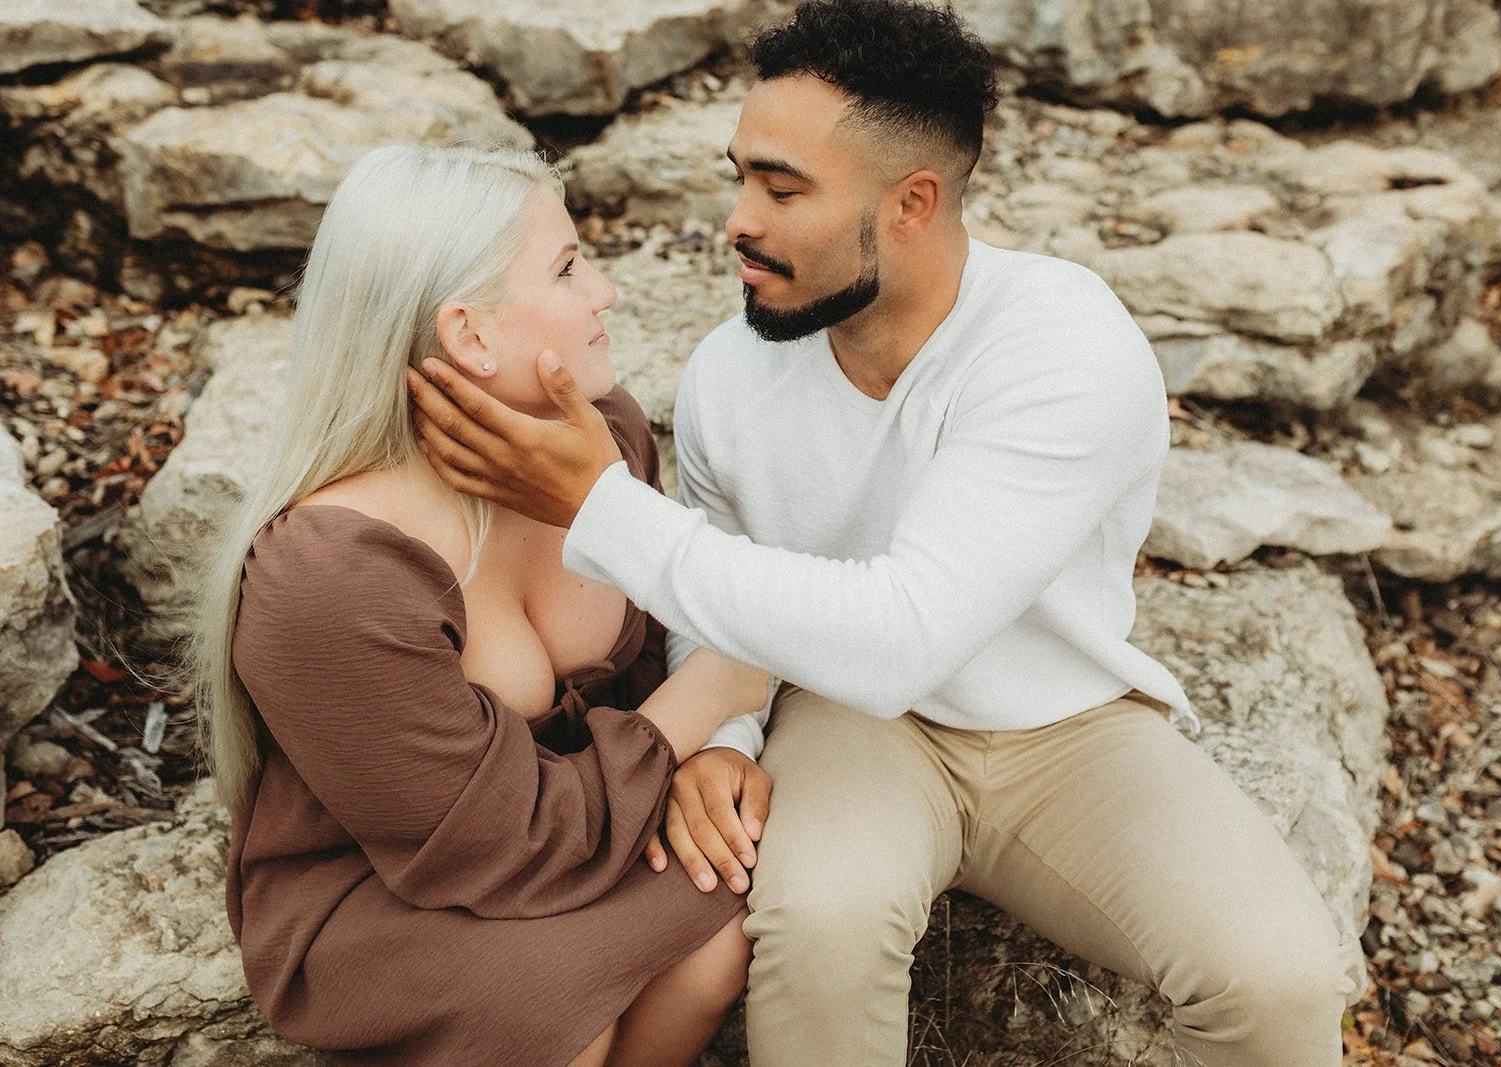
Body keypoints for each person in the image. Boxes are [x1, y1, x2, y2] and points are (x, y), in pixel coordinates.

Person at [406, 2, 1367, 1064]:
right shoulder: (732, 369)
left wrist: (599, 504)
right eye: (739, 177)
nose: (737, 218)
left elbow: (902, 632)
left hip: (1062, 727)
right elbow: (718, 587)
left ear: (911, 203)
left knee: (1280, 982)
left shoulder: (1062, 346)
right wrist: (721, 741)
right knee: (816, 927)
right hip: (846, 724)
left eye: (781, 188)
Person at [189, 143, 768, 1067]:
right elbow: (493, 844)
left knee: (719, 940)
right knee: (550, 1017)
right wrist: (703, 703)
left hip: (596, 826)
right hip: (399, 886)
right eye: (571, 267)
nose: (607, 292)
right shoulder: (330, 577)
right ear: (469, 335)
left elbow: (653, 645)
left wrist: (712, 758)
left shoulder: (602, 442)